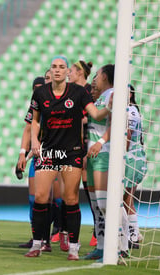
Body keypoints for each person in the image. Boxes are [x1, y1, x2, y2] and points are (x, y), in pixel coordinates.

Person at [24, 56, 111, 260]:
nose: (57, 70)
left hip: (71, 151)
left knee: (70, 199)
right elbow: (35, 122)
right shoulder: (40, 93)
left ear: (66, 72)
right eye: (54, 67)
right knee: (40, 197)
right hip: (49, 151)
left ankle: (73, 247)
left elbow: (96, 115)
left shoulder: (79, 92)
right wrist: (35, 141)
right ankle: (38, 244)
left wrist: (110, 107)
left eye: (62, 67)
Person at [83, 64, 115, 260]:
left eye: (97, 75)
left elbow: (116, 123)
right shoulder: (102, 96)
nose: (94, 78)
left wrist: (101, 142)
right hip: (93, 154)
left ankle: (118, 245)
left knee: (104, 203)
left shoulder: (113, 94)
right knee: (96, 205)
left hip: (104, 153)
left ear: (106, 76)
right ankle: (101, 247)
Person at [67, 60, 98, 247]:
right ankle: (66, 233)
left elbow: (93, 117)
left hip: (87, 145)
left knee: (90, 192)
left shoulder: (89, 91)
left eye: (70, 71)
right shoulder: (68, 90)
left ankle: (98, 231)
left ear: (79, 72)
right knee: (68, 192)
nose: (68, 74)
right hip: (69, 145)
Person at [16, 75, 47, 249]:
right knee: (33, 199)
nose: (37, 91)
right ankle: (37, 236)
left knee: (55, 200)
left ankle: (54, 236)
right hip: (36, 156)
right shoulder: (33, 108)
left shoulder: (52, 105)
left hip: (53, 155)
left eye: (40, 87)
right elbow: (28, 129)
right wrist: (23, 154)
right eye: (34, 88)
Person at [123, 84, 147, 249]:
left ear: (130, 94)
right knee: (126, 198)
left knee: (126, 199)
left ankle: (132, 235)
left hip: (132, 159)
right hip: (136, 158)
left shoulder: (130, 111)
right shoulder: (132, 110)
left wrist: (120, 156)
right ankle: (134, 234)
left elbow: (128, 136)